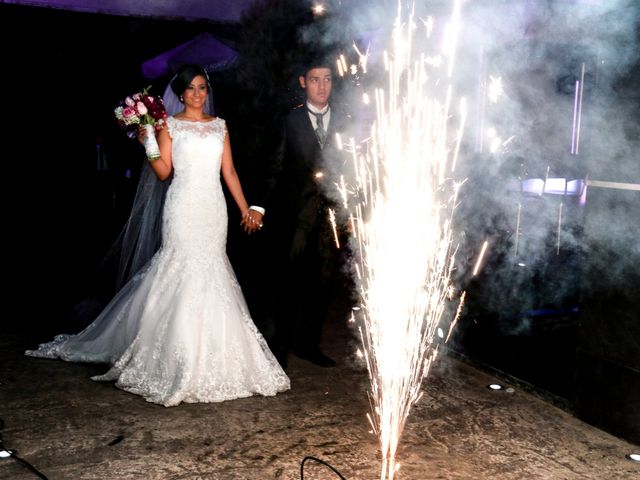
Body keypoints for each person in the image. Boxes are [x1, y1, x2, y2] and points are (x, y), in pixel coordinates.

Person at [25, 64, 290, 407]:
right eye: (191, 88)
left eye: (202, 88)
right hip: (181, 208)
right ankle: (174, 358)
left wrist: (245, 209)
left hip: (212, 209)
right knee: (179, 268)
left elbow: (230, 172)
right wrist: (149, 139)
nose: (198, 94)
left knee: (212, 269)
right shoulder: (170, 126)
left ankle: (214, 354)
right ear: (180, 93)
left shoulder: (221, 127)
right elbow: (163, 171)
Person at [243, 58, 351, 369]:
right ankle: (281, 347)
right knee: (289, 283)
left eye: (328, 79)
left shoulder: (345, 121)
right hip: (296, 219)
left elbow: (352, 169)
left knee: (323, 282)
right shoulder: (289, 121)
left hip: (331, 219)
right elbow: (274, 166)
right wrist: (259, 205)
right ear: (304, 82)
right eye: (316, 80)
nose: (322, 86)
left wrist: (353, 210)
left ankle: (309, 344)